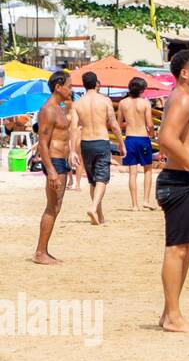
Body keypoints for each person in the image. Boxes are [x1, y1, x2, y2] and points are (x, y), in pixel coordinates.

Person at [155, 50, 189, 332]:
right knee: (177, 249)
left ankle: (169, 313)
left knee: (188, 246)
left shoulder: (185, 99)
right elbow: (166, 140)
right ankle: (173, 316)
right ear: (184, 73)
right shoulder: (184, 99)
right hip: (178, 180)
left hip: (184, 181)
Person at [33, 71, 79, 264]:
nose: (72, 89)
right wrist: (51, 170)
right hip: (54, 161)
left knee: (55, 206)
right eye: (69, 85)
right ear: (58, 87)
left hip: (61, 162)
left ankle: (43, 250)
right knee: (52, 207)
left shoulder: (59, 108)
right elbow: (43, 143)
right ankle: (40, 253)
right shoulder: (49, 109)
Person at [72, 70, 124, 226]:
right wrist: (121, 143)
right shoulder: (105, 100)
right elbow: (114, 124)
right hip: (101, 140)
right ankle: (94, 208)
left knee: (93, 180)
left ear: (84, 84)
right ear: (96, 84)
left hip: (86, 142)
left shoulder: (77, 103)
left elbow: (74, 128)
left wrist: (73, 150)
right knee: (102, 178)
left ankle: (99, 216)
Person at [118, 76, 155, 212]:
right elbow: (150, 124)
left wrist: (129, 123)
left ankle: (134, 204)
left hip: (129, 138)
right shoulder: (145, 103)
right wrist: (152, 134)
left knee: (132, 173)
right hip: (143, 138)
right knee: (148, 170)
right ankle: (146, 200)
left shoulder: (123, 103)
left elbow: (119, 123)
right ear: (142, 89)